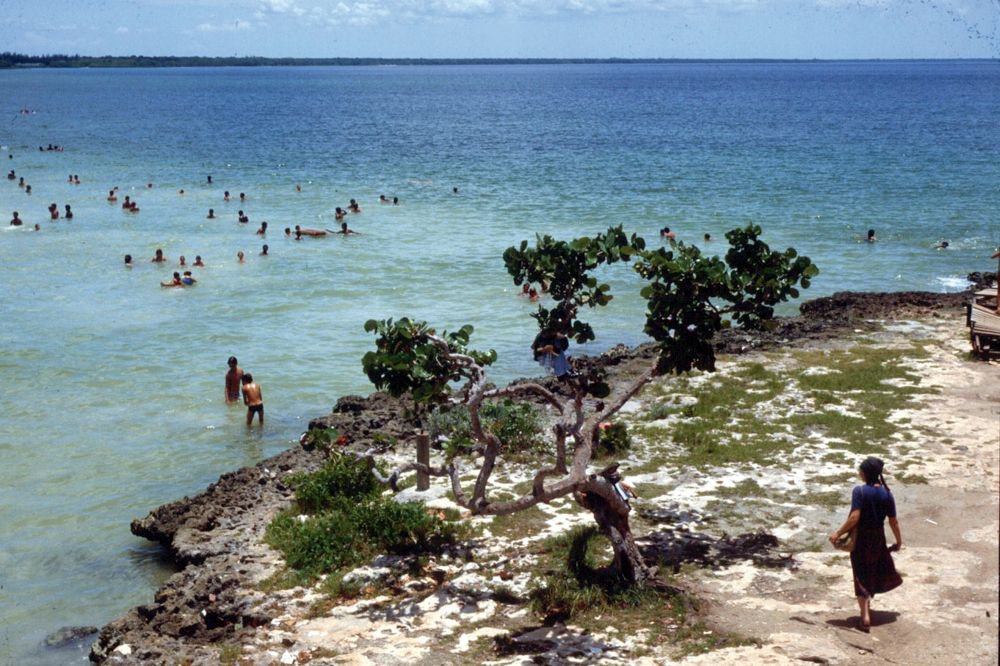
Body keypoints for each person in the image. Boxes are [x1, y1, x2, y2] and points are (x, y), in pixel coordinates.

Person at [828, 457, 903, 632]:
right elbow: (893, 521)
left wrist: (838, 533)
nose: (859, 473)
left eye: (860, 470)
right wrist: (899, 541)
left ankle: (865, 616)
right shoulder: (887, 493)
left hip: (862, 538)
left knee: (860, 574)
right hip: (878, 538)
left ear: (865, 473)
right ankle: (867, 608)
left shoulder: (859, 492)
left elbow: (855, 517)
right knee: (873, 571)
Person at [531, 305, 576, 378]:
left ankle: (567, 370)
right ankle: (561, 374)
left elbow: (567, 334)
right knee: (557, 352)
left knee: (559, 352)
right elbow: (540, 344)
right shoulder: (553, 326)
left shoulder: (564, 324)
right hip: (545, 348)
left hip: (551, 347)